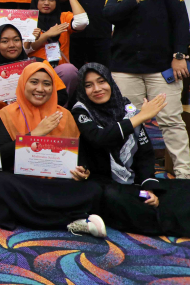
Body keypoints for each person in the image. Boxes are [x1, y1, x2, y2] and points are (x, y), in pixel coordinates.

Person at [0, 63, 106, 236]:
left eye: (47, 84)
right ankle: (71, 219)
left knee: (94, 188)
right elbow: (0, 158)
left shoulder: (64, 115)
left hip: (56, 182)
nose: (40, 89)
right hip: (23, 182)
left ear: (53, 87)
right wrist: (35, 134)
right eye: (34, 82)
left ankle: (18, 213)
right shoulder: (7, 114)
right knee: (1, 181)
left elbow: (80, 157)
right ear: (23, 84)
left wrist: (83, 171)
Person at [71, 63, 189, 235]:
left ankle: (150, 204)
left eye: (102, 81)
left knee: (180, 190)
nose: (97, 89)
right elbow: (99, 138)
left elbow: (145, 154)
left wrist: (148, 187)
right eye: (88, 85)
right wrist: (139, 118)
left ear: (110, 82)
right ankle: (162, 218)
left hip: (132, 183)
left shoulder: (127, 108)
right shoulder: (80, 111)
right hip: (101, 183)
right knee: (114, 197)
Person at [105, 0, 190, 179]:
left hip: (161, 70)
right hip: (125, 71)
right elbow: (110, 14)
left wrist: (179, 55)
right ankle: (129, 173)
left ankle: (184, 175)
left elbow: (181, 21)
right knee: (129, 121)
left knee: (171, 121)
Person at [0, 24, 68, 111]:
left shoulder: (40, 64)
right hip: (8, 120)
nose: (12, 45)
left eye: (16, 40)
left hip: (42, 116)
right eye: (5, 41)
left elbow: (61, 96)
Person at [22, 0, 88, 98]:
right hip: (33, 71)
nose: (46, 3)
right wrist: (47, 35)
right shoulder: (26, 20)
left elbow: (82, 22)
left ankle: (61, 104)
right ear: (35, 0)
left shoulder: (63, 17)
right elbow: (22, 50)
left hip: (59, 71)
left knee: (69, 70)